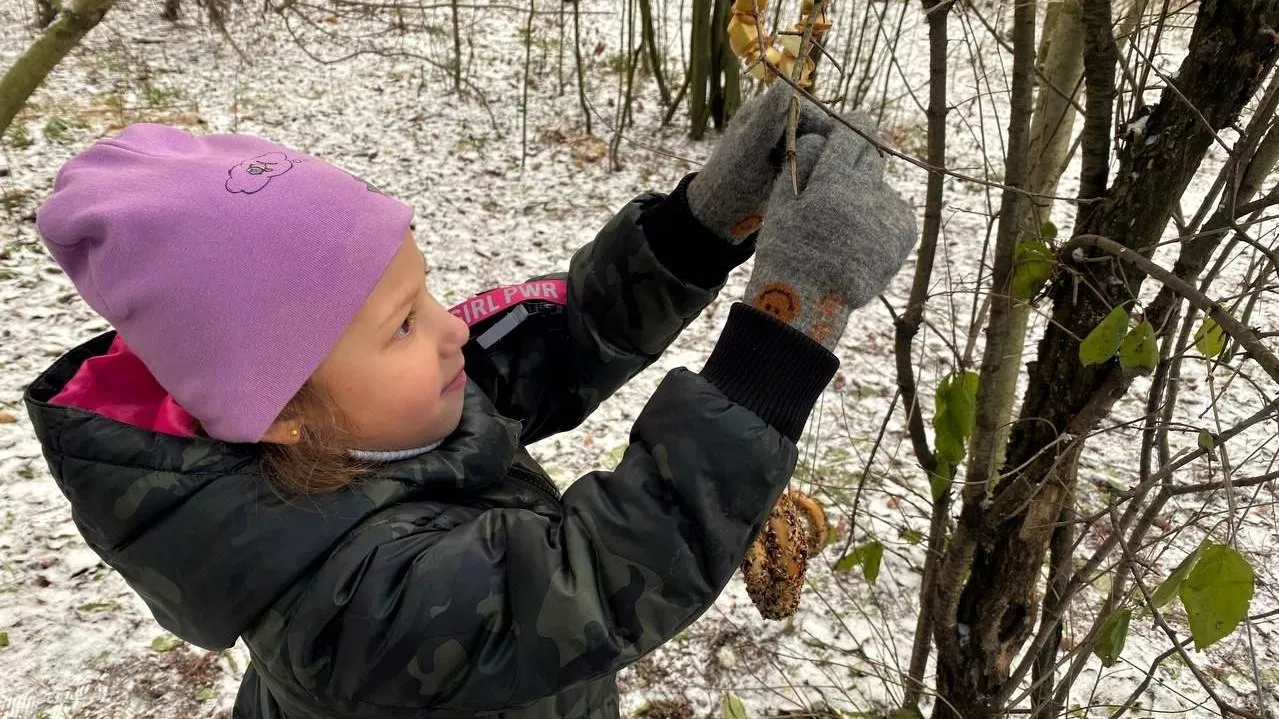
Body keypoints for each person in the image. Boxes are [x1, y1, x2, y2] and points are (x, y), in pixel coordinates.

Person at [23, 83, 915, 719]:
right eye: (403, 323)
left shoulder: (365, 414)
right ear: (278, 411)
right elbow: (594, 573)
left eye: (426, 292)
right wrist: (788, 326)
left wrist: (703, 219)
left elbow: (560, 339)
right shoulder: (345, 613)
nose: (451, 328)